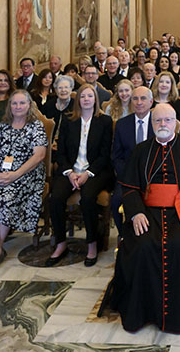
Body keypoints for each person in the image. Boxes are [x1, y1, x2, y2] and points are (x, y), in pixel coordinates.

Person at [106, 104, 180, 333]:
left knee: (176, 244)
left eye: (167, 120)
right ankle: (142, 310)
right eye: (158, 121)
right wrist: (135, 212)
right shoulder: (141, 150)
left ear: (176, 123)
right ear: (151, 124)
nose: (163, 124)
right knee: (143, 244)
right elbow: (130, 188)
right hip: (147, 212)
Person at [0, 89, 47, 272]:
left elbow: (39, 155)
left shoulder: (36, 126)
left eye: (22, 103)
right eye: (14, 103)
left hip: (26, 175)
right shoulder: (2, 126)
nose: (18, 106)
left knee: (5, 197)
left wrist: (15, 175)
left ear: (29, 105)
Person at [47, 84, 114, 266]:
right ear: (78, 100)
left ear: (95, 99)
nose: (86, 99)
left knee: (88, 197)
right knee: (56, 197)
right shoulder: (69, 120)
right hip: (71, 171)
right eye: (82, 96)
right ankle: (61, 243)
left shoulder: (105, 121)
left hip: (96, 171)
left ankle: (92, 243)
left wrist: (87, 173)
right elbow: (60, 153)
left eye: (89, 96)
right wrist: (70, 173)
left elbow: (105, 155)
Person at [111, 86, 154, 230]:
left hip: (154, 176)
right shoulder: (122, 125)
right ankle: (123, 235)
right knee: (116, 201)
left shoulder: (158, 123)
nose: (139, 102)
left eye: (143, 98)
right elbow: (116, 156)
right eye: (135, 98)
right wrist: (128, 175)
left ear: (151, 102)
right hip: (127, 177)